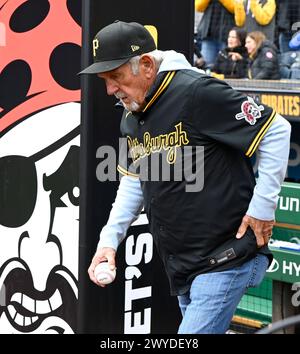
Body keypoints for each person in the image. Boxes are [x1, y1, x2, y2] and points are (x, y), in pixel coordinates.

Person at [80, 20, 291, 334]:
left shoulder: (196, 91)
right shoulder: (131, 114)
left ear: (147, 65)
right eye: (105, 80)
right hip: (185, 264)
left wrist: (262, 208)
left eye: (116, 77)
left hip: (226, 255)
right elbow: (134, 179)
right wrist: (108, 241)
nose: (110, 89)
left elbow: (276, 130)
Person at [195, 0, 235, 68]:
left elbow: (236, 8)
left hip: (226, 36)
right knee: (207, 67)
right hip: (209, 35)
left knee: (226, 68)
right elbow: (198, 7)